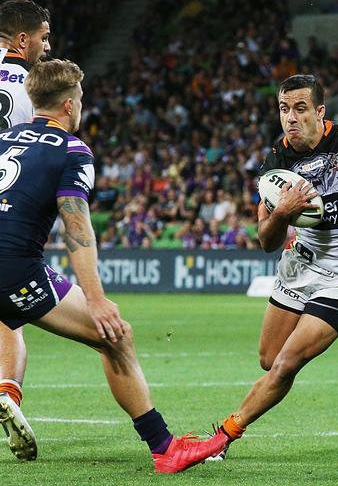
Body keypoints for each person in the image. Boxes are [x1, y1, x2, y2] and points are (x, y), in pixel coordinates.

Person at [0, 59, 228, 472]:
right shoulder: (72, 150)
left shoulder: (2, 140)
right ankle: (164, 449)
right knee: (114, 335)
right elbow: (77, 229)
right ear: (70, 105)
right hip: (13, 267)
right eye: (82, 98)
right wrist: (97, 299)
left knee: (11, 321)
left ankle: (8, 389)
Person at [206, 74, 338, 457]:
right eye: (284, 109)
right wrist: (281, 215)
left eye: (300, 108)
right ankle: (270, 386)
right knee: (270, 360)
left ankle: (222, 437)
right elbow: (267, 242)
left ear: (320, 111)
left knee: (287, 363)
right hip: (302, 262)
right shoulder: (277, 160)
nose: (290, 117)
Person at [0, 0, 52, 461]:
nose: (46, 45)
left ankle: (8, 394)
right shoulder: (31, 89)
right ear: (22, 39)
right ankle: (8, 394)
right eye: (43, 36)